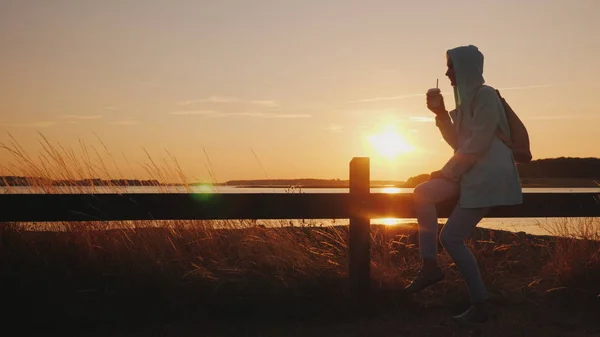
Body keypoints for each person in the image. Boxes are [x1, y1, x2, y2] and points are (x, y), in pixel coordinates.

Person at [404, 45, 523, 323]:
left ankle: (481, 304)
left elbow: (478, 143)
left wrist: (448, 172)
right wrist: (441, 114)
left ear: (466, 66)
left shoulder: (485, 96)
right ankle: (430, 265)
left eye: (451, 66)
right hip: (468, 174)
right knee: (422, 193)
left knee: (451, 237)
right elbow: (459, 143)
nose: (447, 72)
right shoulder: (467, 101)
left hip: (487, 177)